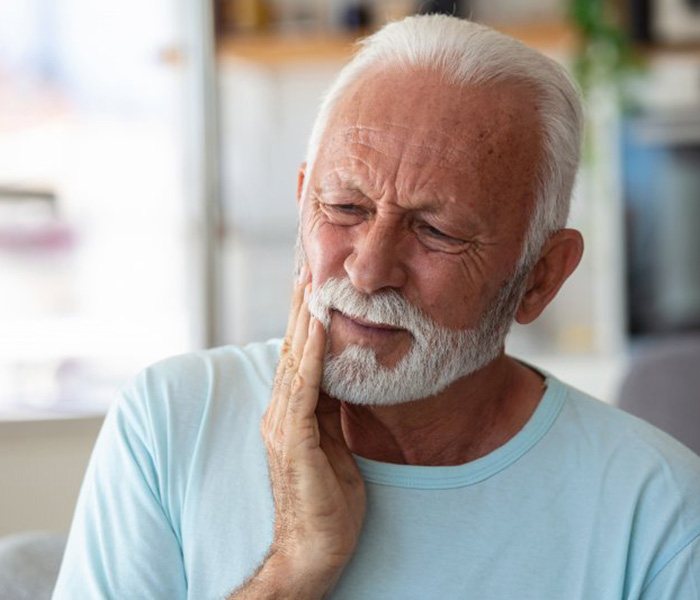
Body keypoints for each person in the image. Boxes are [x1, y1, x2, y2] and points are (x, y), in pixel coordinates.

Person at [54, 15, 700, 599]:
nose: (367, 269)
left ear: (539, 278)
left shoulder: (660, 507)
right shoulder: (171, 422)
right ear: (304, 196)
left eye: (436, 233)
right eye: (344, 208)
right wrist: (293, 569)